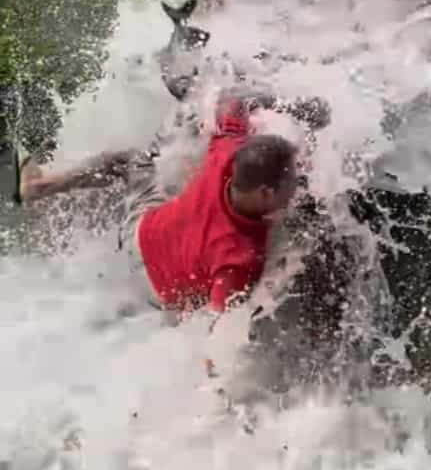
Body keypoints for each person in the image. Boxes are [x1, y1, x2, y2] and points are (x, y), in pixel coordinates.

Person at [15, 88, 328, 320]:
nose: (298, 181)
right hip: (158, 295)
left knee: (133, 162)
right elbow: (219, 336)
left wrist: (292, 106)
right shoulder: (239, 258)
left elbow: (233, 98)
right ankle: (41, 187)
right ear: (265, 195)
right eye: (292, 180)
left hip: (141, 233)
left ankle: (41, 186)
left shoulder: (226, 152)